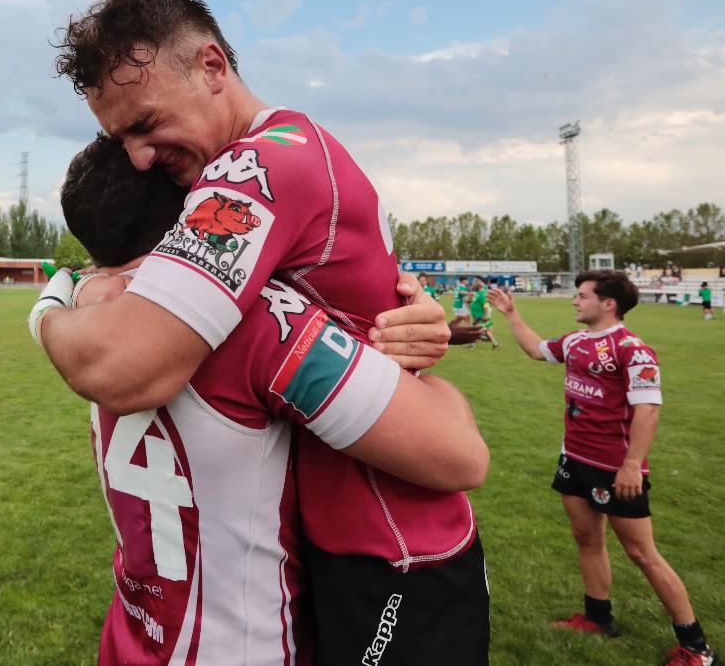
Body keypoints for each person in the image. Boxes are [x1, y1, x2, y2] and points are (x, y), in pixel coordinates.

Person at [61, 135, 488, 663]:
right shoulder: (254, 318)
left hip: (134, 634)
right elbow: (460, 456)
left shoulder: (92, 314)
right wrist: (420, 369)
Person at [488, 271, 718, 666]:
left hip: (615, 469)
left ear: (607, 303)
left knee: (643, 554)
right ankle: (598, 617)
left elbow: (648, 410)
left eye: (582, 296)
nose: (575, 301)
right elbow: (536, 350)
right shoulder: (576, 342)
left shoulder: (634, 350)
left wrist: (631, 465)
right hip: (574, 459)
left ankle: (696, 647)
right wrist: (511, 315)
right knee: (586, 538)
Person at [468, 280, 500, 350]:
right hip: (476, 315)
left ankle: (472, 345)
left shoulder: (482, 294)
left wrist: (485, 315)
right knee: (484, 330)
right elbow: (474, 302)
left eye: (474, 284)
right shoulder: (478, 293)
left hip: (480, 316)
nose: (473, 285)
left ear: (479, 285)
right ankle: (495, 344)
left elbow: (486, 305)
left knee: (476, 330)